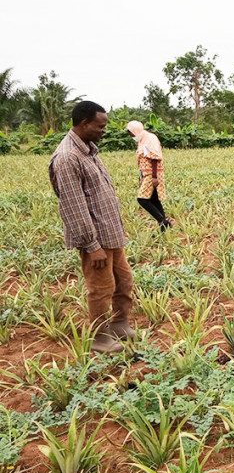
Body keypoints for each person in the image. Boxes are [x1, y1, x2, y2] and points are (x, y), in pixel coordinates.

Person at [48, 101, 135, 353]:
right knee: (100, 288)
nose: (103, 130)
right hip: (95, 238)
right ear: (84, 124)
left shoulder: (88, 150)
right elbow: (74, 206)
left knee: (123, 280)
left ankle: (119, 323)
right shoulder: (67, 157)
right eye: (100, 126)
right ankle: (99, 337)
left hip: (110, 233)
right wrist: (91, 245)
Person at [127, 120, 171, 231]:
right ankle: (165, 226)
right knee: (154, 199)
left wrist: (154, 177)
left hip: (152, 174)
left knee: (142, 199)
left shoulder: (149, 138)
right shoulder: (142, 139)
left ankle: (162, 221)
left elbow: (155, 157)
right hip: (147, 173)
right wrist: (141, 177)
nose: (130, 135)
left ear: (135, 130)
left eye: (131, 132)